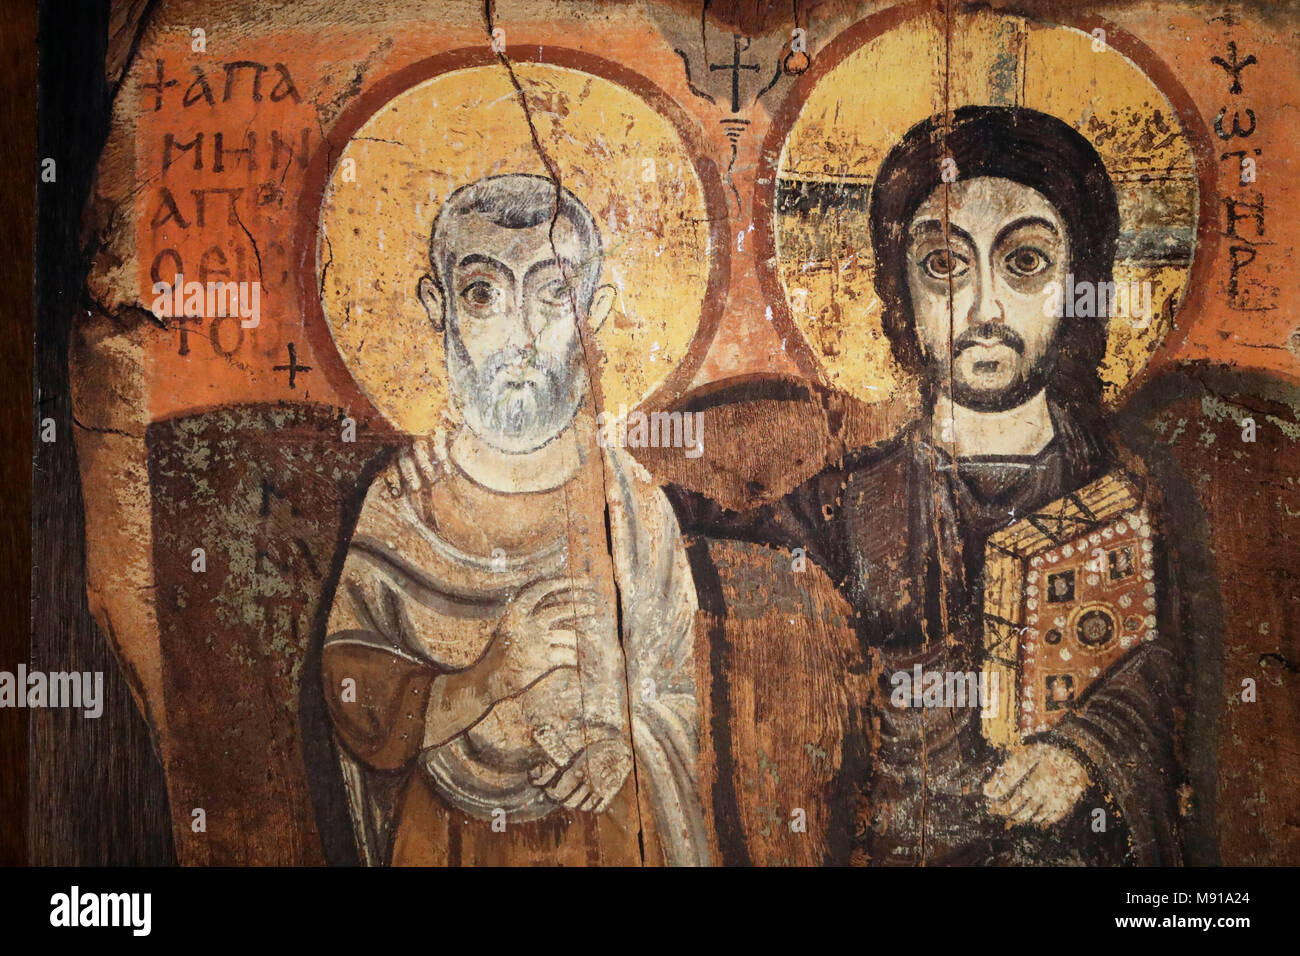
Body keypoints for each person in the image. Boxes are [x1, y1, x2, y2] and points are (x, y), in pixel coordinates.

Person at [670, 106, 1193, 865]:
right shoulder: (850, 500)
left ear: (1080, 280)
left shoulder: (1125, 492)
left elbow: (1167, 673)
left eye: (1025, 264)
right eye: (945, 266)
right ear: (900, 289)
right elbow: (694, 528)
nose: (983, 309)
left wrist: (1082, 751)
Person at [322, 174, 707, 865]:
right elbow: (353, 696)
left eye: (555, 293)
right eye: (484, 294)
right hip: (446, 841)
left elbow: (675, 692)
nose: (521, 336)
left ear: (596, 308)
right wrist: (489, 679)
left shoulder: (634, 506)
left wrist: (622, 741)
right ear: (437, 306)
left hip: (608, 838)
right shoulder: (405, 503)